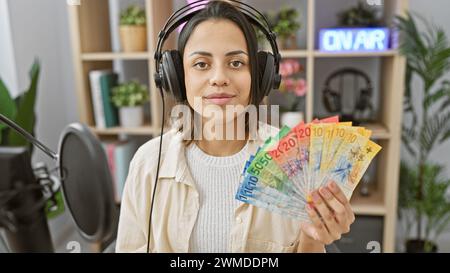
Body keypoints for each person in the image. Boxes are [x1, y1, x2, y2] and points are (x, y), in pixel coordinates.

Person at [115, 0, 355, 253]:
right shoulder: (148, 164)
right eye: (201, 64)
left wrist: (313, 239)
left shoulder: (297, 162)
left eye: (236, 63)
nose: (219, 78)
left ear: (261, 76)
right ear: (176, 77)